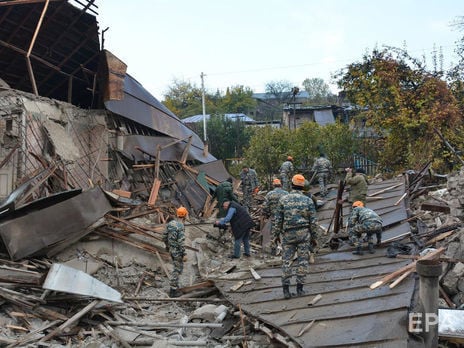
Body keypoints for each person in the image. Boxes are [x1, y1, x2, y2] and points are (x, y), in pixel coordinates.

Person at [273, 174, 317, 299]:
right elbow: (313, 222)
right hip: (304, 234)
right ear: (303, 186)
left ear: (291, 184)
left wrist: (275, 236)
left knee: (287, 261)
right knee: (303, 261)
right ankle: (300, 289)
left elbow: (277, 221)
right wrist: (314, 238)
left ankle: (286, 291)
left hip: (288, 235)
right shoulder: (308, 200)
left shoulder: (283, 199)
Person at [163, 206, 188, 298]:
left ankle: (175, 287)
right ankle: (173, 291)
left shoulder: (170, 223)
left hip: (171, 250)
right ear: (184, 215)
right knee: (177, 270)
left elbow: (164, 236)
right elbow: (181, 242)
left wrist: (167, 246)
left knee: (176, 267)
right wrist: (184, 253)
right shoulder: (180, 226)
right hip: (177, 251)